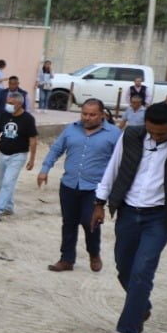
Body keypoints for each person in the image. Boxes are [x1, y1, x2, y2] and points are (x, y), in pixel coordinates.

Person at [92, 101, 167, 333]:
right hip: (127, 211)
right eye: (153, 132)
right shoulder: (132, 135)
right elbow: (113, 168)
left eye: (162, 134)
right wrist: (99, 203)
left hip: (158, 218)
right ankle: (141, 306)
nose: (156, 137)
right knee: (123, 268)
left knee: (141, 272)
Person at [37, 98, 120, 273]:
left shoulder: (114, 134)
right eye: (84, 114)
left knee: (89, 222)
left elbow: (119, 162)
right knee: (69, 223)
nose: (87, 118)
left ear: (102, 115)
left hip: (94, 188)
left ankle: (94, 253)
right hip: (69, 185)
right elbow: (56, 149)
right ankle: (66, 259)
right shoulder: (71, 129)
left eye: (92, 114)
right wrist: (45, 169)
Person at [0, 91, 38, 221]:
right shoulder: (5, 115)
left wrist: (32, 159)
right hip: (2, 153)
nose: (8, 105)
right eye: (8, 102)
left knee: (8, 182)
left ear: (20, 104)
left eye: (11, 103)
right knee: (2, 182)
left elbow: (33, 139)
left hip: (18, 155)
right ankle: (8, 207)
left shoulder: (28, 119)